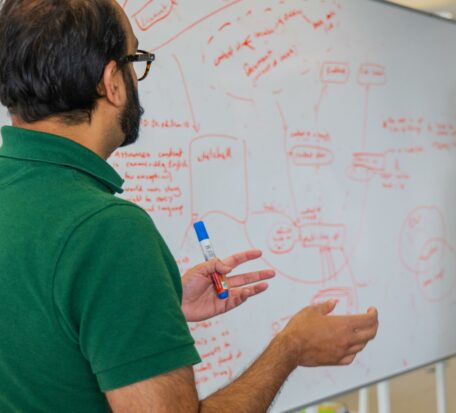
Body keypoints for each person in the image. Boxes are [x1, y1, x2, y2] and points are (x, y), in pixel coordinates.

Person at [0, 0, 379, 412]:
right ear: (112, 81)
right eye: (135, 59)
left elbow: (36, 324)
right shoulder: (105, 231)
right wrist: (291, 348)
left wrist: (156, 301)